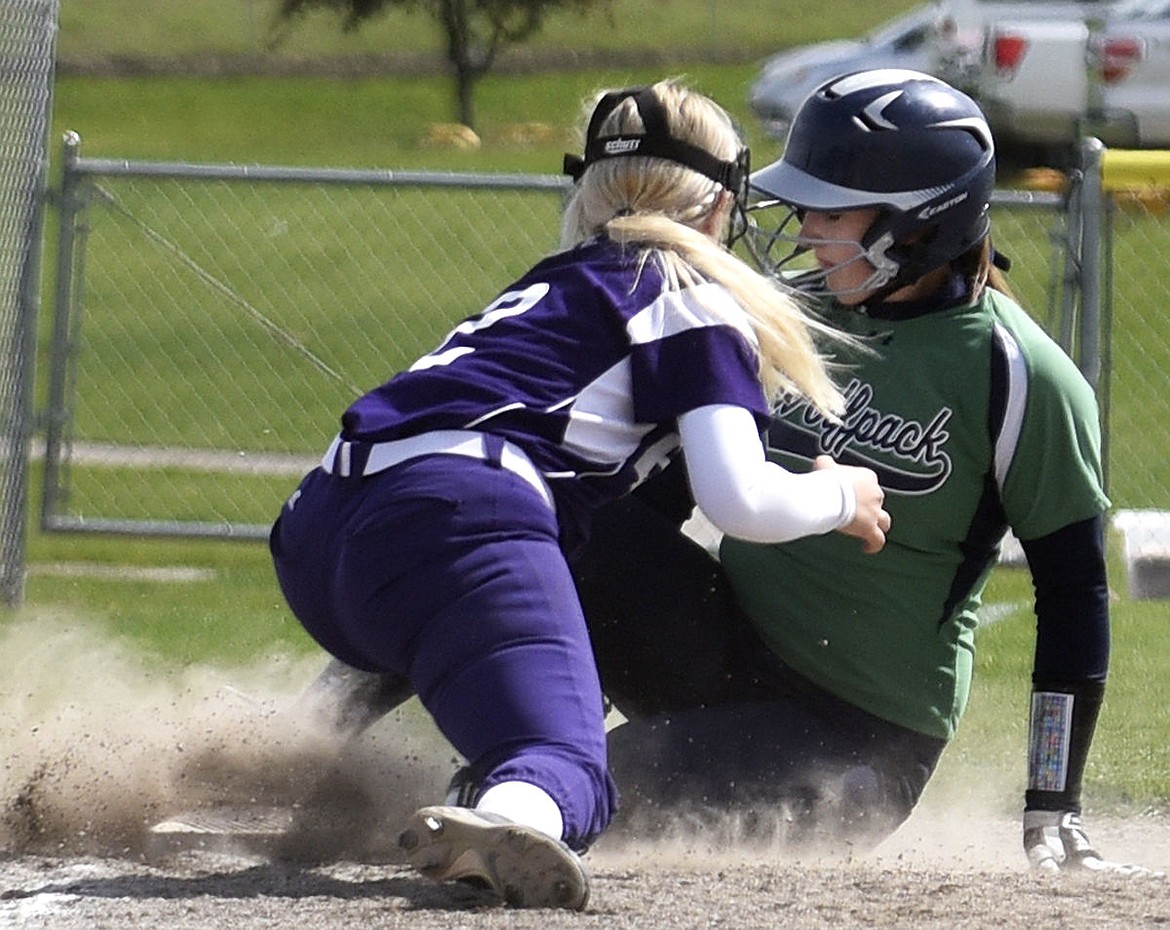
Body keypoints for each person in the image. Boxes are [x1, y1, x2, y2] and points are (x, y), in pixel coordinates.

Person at [269, 78, 890, 909]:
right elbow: (740, 501)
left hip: (316, 532)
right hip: (457, 512)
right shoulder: (686, 295)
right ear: (715, 205)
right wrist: (843, 500)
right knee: (565, 765)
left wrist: (306, 737)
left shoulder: (558, 281)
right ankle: (509, 819)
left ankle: (265, 769)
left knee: (474, 594)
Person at [572, 68, 1152, 874]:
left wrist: (1052, 802)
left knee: (600, 789)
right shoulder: (793, 312)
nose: (806, 231)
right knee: (581, 535)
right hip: (726, 651)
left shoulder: (1017, 373)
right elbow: (662, 497)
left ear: (922, 224)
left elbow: (1073, 593)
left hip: (852, 736)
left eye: (831, 211)